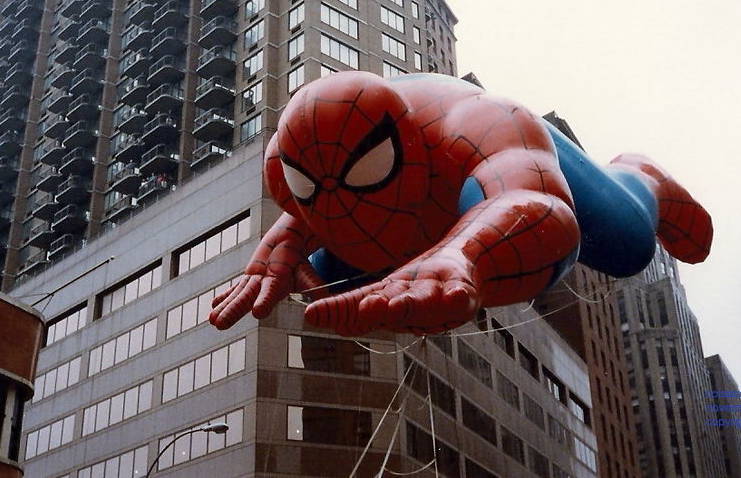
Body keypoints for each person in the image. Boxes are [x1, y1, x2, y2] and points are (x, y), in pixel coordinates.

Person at [209, 71, 711, 336]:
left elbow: (536, 206)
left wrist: (465, 254)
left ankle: (643, 177)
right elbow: (320, 187)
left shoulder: (482, 122)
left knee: (627, 245)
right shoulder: (289, 169)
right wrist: (283, 243)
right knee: (325, 280)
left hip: (488, 174)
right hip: (402, 202)